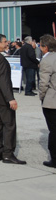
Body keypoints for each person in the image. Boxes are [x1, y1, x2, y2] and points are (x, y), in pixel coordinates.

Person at [0, 33, 26, 164]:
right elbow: (3, 80)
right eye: (4, 41)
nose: (7, 43)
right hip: (2, 97)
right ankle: (8, 154)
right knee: (9, 125)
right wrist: (10, 98)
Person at [38, 34, 56, 168]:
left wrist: (42, 97)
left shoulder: (47, 60)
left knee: (54, 131)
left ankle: (54, 159)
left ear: (45, 47)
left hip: (52, 101)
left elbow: (44, 83)